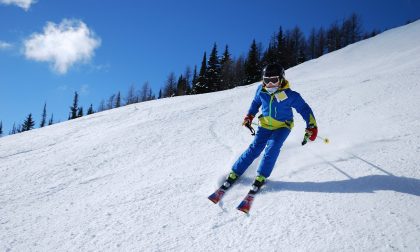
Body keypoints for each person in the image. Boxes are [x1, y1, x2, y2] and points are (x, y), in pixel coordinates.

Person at [222, 63, 318, 195]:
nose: (270, 84)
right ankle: (235, 172)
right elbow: (256, 103)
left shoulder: (291, 95)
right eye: (267, 80)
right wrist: (250, 115)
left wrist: (311, 126)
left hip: (283, 126)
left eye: (274, 80)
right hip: (265, 125)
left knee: (272, 148)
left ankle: (261, 176)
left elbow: (304, 109)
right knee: (254, 148)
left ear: (281, 79)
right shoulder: (261, 90)